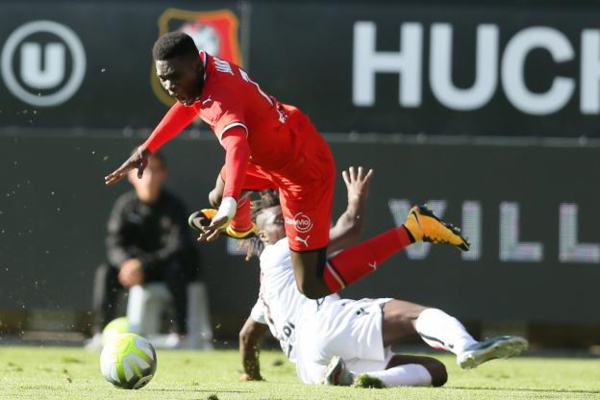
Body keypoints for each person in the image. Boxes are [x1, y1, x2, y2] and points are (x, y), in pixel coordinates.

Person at [104, 31, 470, 301]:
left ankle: (412, 228)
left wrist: (231, 205)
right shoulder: (203, 74)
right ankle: (240, 224)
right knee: (218, 193)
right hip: (278, 148)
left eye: (173, 76)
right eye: (163, 77)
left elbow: (236, 148)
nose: (169, 85)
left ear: (195, 62)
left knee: (311, 285)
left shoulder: (222, 99)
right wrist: (148, 146)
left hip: (302, 172)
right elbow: (190, 107)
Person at [237, 166, 528, 387]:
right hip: (324, 325)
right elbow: (349, 229)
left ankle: (358, 380)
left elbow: (247, 336)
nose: (287, 224)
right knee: (418, 316)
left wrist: (252, 375)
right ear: (263, 235)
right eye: (279, 220)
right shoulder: (279, 251)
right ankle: (468, 347)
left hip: (311, 369)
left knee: (434, 371)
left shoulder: (268, 291)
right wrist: (355, 199)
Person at [88, 151, 202, 349]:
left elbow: (178, 246)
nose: (148, 177)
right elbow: (114, 243)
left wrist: (143, 264)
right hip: (131, 270)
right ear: (131, 175)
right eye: (143, 171)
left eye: (154, 171)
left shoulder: (174, 206)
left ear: (163, 174)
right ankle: (100, 334)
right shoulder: (124, 206)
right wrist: (127, 264)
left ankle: (179, 335)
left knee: (177, 269)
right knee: (105, 272)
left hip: (163, 268)